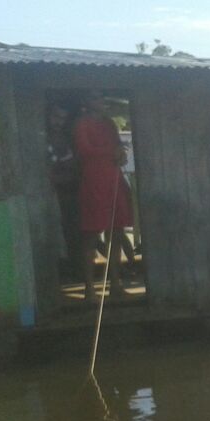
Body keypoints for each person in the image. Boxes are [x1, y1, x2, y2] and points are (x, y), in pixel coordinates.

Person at [73, 92, 135, 302]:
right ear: (87, 101)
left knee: (116, 233)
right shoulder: (81, 124)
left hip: (113, 178)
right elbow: (85, 149)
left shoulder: (109, 123)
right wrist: (112, 151)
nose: (101, 101)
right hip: (93, 181)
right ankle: (89, 288)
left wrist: (121, 154)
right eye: (97, 97)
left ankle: (115, 284)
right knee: (90, 235)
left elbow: (118, 145)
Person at [45, 103, 82, 276]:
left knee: (68, 234)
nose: (58, 122)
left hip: (62, 195)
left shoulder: (63, 141)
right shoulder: (40, 137)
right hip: (44, 197)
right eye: (55, 117)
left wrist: (54, 178)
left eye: (62, 119)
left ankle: (70, 272)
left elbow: (73, 170)